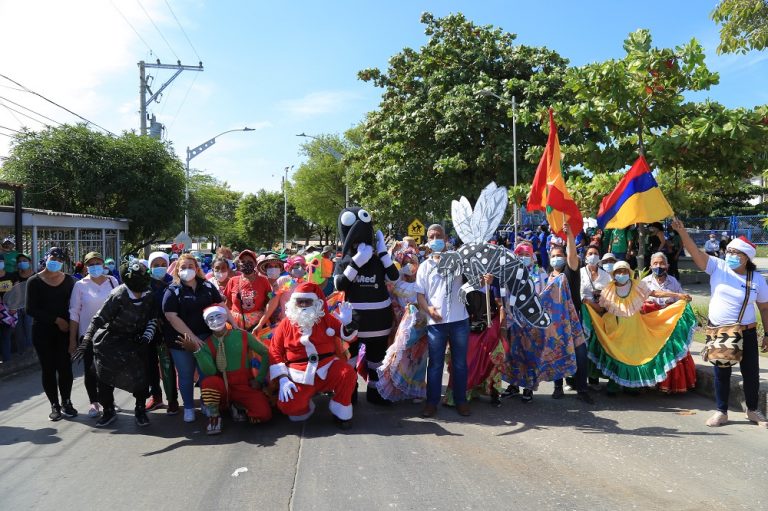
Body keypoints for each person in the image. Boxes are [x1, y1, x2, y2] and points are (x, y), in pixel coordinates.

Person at [671, 219, 768, 428]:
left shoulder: (757, 279)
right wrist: (682, 233)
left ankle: (752, 410)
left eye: (736, 253)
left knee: (751, 373)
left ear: (746, 258)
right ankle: (721, 412)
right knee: (721, 372)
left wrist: (767, 334)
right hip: (720, 332)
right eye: (729, 251)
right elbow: (695, 253)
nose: (730, 255)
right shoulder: (718, 267)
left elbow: (764, 308)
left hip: (747, 333)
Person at [583, 260, 696, 396]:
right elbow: (601, 308)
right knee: (616, 355)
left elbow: (654, 293)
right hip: (614, 330)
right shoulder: (608, 289)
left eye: (624, 271)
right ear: (614, 274)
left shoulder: (637, 286)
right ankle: (614, 386)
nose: (622, 274)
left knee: (634, 356)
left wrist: (677, 295)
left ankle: (632, 387)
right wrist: (588, 303)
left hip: (634, 329)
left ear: (629, 272)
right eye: (619, 271)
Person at [74, 260, 158, 427]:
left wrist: (146, 337)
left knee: (140, 378)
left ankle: (140, 410)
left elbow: (152, 319)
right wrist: (85, 342)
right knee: (104, 379)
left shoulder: (149, 295)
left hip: (135, 342)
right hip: (110, 343)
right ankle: (108, 410)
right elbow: (98, 319)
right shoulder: (117, 295)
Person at [504, 237, 586, 404]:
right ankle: (513, 386)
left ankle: (528, 388)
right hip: (514, 322)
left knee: (531, 356)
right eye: (519, 254)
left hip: (533, 323)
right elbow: (506, 296)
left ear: (533, 256)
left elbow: (544, 297)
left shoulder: (540, 274)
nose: (523, 257)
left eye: (526, 254)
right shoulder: (511, 273)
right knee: (513, 355)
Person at [333, 207, 400, 405]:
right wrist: (356, 263)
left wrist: (383, 253)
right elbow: (340, 284)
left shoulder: (378, 260)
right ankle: (350, 392)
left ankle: (375, 392)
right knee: (350, 359)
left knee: (377, 360)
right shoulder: (344, 260)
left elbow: (394, 277)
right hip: (353, 322)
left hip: (379, 322)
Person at [268, 282, 357, 429]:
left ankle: (341, 409)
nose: (303, 305)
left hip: (327, 367)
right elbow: (275, 351)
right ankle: (305, 404)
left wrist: (348, 323)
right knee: (288, 408)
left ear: (316, 302)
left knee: (347, 374)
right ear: (294, 303)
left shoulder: (326, 319)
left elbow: (349, 337)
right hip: (299, 373)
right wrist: (283, 378)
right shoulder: (285, 324)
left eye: (307, 301)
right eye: (299, 301)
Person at [177, 305, 272, 435]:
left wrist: (259, 379)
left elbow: (265, 353)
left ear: (226, 317)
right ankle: (214, 417)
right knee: (209, 382)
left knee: (263, 414)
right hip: (221, 387)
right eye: (211, 318)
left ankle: (238, 406)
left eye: (218, 316)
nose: (215, 320)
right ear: (206, 322)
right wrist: (197, 351)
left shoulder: (242, 335)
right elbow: (210, 371)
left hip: (243, 385)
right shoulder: (207, 344)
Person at [162, 253, 227, 422]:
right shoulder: (172, 290)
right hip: (180, 340)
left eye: (191, 266)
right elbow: (171, 316)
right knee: (185, 374)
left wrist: (234, 326)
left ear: (197, 268)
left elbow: (220, 306)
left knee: (207, 372)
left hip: (206, 336)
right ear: (177, 269)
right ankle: (189, 408)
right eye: (183, 267)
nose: (187, 270)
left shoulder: (207, 286)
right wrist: (192, 338)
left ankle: (206, 404)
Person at [415, 224, 471, 417]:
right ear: (428, 241)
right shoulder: (424, 266)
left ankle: (461, 400)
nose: (436, 239)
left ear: (446, 238)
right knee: (436, 364)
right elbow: (420, 295)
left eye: (439, 235)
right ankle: (431, 403)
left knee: (460, 364)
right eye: (432, 236)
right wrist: (428, 309)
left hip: (459, 321)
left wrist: (485, 279)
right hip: (436, 325)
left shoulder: (458, 261)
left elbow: (473, 281)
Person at [25, 247, 77, 421]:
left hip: (64, 333)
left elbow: (75, 306)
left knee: (65, 368)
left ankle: (67, 402)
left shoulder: (70, 281)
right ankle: (54, 405)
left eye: (60, 260)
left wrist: (71, 327)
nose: (56, 262)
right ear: (46, 258)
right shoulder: (34, 281)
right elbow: (30, 309)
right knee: (48, 369)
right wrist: (56, 320)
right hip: (42, 332)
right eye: (53, 257)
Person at [68, 252, 118, 418]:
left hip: (109, 334)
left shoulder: (112, 281)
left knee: (109, 369)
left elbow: (118, 307)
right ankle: (94, 402)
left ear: (103, 264)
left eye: (98, 263)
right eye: (91, 264)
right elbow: (74, 313)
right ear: (86, 266)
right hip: (87, 335)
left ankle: (108, 401)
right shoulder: (80, 285)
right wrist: (72, 340)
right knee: (90, 370)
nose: (95, 266)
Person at [376, 248, 428, 401]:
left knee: (420, 362)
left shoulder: (423, 282)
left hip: (422, 329)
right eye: (406, 263)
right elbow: (392, 304)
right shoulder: (396, 284)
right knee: (401, 360)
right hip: (403, 330)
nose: (410, 265)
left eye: (413, 262)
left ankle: (416, 391)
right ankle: (399, 389)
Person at [641, 252, 696, 394]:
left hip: (669, 325)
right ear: (650, 266)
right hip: (651, 327)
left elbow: (681, 301)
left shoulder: (673, 282)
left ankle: (669, 384)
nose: (658, 266)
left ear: (668, 266)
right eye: (655, 263)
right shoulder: (645, 282)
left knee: (673, 351)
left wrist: (684, 299)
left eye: (662, 263)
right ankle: (649, 382)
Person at [550, 225, 593, 404]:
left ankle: (582, 389)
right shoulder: (547, 277)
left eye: (559, 256)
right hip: (555, 324)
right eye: (553, 256)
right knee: (556, 354)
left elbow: (573, 257)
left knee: (580, 355)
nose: (556, 259)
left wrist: (569, 235)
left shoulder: (571, 271)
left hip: (574, 322)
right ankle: (558, 387)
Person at [145, 251, 178, 414]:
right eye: (155, 265)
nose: (159, 268)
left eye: (163, 264)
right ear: (149, 267)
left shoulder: (174, 283)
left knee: (167, 365)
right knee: (149, 365)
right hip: (148, 331)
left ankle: (172, 400)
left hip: (167, 330)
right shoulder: (143, 284)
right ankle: (156, 397)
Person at [223, 250, 272, 332]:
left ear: (255, 264)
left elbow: (269, 303)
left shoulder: (263, 281)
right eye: (243, 261)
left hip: (257, 325)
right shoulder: (233, 281)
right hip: (236, 325)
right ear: (239, 263)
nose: (246, 263)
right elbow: (227, 304)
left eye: (250, 261)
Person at [13, 253, 34, 356]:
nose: (22, 263)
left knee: (30, 330)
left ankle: (31, 353)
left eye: (24, 261)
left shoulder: (35, 276)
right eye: (19, 261)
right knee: (19, 332)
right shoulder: (14, 276)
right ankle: (22, 353)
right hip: (17, 308)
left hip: (31, 307)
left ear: (30, 262)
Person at [0, 255, 19, 363]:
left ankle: (7, 361)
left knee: (6, 336)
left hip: (9, 311)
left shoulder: (11, 276)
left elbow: (18, 293)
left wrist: (14, 307)